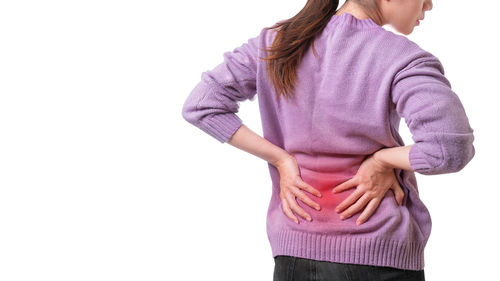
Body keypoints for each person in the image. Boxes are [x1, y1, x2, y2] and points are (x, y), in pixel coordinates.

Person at [181, 0, 475, 280]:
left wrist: (281, 159)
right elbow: (449, 148)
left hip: (292, 253)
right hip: (376, 252)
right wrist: (382, 159)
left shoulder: (277, 42)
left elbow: (202, 104)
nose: (429, 5)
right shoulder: (402, 58)